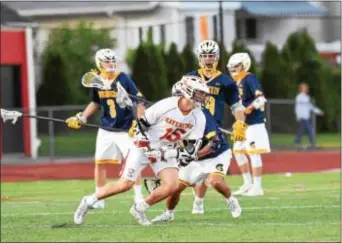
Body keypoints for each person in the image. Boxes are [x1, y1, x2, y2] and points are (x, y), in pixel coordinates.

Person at [73, 75, 210, 226]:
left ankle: (139, 208)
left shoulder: (199, 117)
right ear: (187, 91)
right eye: (200, 93)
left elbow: (191, 150)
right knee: (125, 184)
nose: (203, 97)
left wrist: (164, 153)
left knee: (172, 185)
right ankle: (89, 201)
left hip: (166, 149)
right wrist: (144, 142)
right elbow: (141, 126)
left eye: (204, 94)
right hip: (143, 145)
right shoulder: (165, 105)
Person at [65, 49, 145, 209]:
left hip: (125, 128)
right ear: (99, 63)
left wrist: (138, 122)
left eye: (113, 61)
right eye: (108, 61)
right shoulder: (97, 81)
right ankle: (99, 198)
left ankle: (138, 197)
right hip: (106, 128)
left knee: (133, 162)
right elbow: (96, 102)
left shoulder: (123, 78)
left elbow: (140, 101)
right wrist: (83, 117)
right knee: (100, 162)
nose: (111, 64)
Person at [151, 85, 242, 223]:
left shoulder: (201, 114)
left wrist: (192, 155)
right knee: (175, 188)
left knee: (215, 181)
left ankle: (231, 200)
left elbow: (215, 144)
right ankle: (168, 213)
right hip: (194, 157)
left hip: (216, 154)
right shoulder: (170, 114)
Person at [185, 40, 247, 214]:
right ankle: (198, 202)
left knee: (212, 175)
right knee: (197, 171)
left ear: (217, 57)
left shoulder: (226, 82)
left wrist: (240, 124)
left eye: (210, 55)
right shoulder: (189, 78)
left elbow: (237, 107)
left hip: (215, 131)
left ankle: (224, 200)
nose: (207, 59)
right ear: (199, 58)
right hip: (194, 131)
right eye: (204, 56)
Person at [227, 52, 271, 197]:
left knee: (253, 153)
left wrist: (248, 109)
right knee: (238, 152)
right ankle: (247, 184)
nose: (233, 68)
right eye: (231, 66)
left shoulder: (249, 78)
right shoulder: (235, 83)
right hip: (243, 125)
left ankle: (257, 187)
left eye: (236, 65)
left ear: (244, 65)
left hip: (255, 123)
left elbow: (261, 99)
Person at [294, 82, 324, 149]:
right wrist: (298, 116)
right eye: (305, 87)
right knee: (310, 130)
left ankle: (297, 142)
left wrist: (319, 111)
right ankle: (313, 143)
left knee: (301, 130)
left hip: (306, 117)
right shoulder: (299, 97)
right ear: (301, 89)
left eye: (306, 87)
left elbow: (311, 107)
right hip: (301, 117)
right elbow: (306, 103)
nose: (307, 89)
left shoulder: (307, 97)